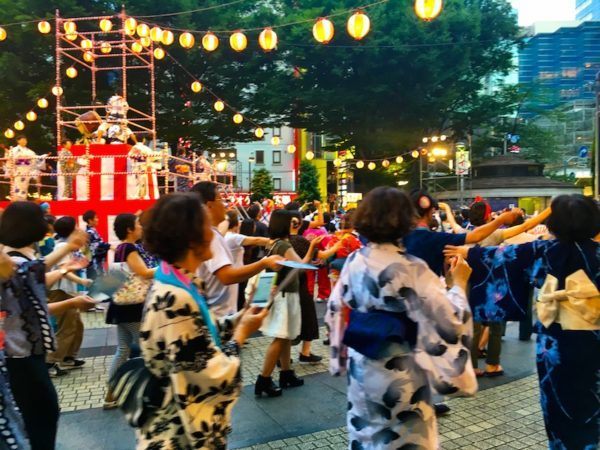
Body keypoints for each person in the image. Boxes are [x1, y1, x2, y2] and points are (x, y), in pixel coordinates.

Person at [444, 194, 600, 449]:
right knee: (590, 401)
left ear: (554, 223)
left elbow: (496, 256)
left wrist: (462, 253)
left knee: (558, 405)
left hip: (555, 345)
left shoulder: (542, 250)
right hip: (594, 339)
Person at [327, 187, 477, 449]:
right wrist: (459, 285)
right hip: (401, 368)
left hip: (362, 365)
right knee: (405, 437)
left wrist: (338, 358)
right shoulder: (411, 267)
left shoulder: (354, 260)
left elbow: (335, 310)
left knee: (366, 433)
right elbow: (448, 320)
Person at [138, 193, 268, 449]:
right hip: (178, 435)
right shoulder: (174, 295)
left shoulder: (178, 278)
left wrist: (239, 318)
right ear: (190, 238)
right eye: (205, 225)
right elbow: (211, 374)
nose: (212, 233)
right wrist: (241, 334)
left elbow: (196, 336)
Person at [0, 202, 94, 450]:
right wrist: (67, 252)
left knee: (40, 413)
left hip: (27, 352)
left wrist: (65, 276)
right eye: (42, 218)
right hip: (18, 354)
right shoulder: (11, 260)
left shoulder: (19, 258)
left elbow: (34, 291)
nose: (47, 223)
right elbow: (29, 273)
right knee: (42, 413)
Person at [466, 200, 552, 377]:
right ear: (488, 215)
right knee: (495, 325)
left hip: (470, 283)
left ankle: (472, 366)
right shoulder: (495, 234)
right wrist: (550, 209)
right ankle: (492, 365)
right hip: (493, 285)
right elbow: (526, 225)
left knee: (472, 328)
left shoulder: (462, 234)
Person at [255, 209, 325, 397]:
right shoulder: (284, 245)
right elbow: (301, 266)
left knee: (284, 337)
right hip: (286, 295)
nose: (295, 224)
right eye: (292, 221)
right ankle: (264, 379)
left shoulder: (273, 243)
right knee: (280, 338)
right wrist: (312, 248)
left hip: (281, 293)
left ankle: (286, 373)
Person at [190, 182, 283, 318]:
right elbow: (227, 276)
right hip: (217, 317)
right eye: (221, 199)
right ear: (209, 205)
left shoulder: (210, 234)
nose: (225, 204)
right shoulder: (211, 237)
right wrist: (264, 263)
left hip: (216, 315)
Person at [104, 213, 156, 409]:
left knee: (123, 349)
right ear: (129, 229)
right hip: (133, 307)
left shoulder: (120, 248)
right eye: (138, 224)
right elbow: (143, 272)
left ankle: (111, 394)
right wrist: (170, 268)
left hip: (121, 306)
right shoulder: (129, 248)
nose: (141, 227)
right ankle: (150, 393)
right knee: (149, 348)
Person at [403, 190, 521, 277]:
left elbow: (458, 226)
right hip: (427, 300)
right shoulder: (436, 239)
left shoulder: (399, 237)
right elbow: (476, 236)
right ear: (430, 211)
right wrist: (501, 219)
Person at [46, 216, 93, 376]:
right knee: (67, 328)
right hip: (61, 291)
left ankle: (68, 357)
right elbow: (63, 270)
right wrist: (82, 280)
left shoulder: (65, 245)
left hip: (66, 291)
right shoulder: (63, 246)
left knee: (76, 325)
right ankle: (50, 362)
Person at [222, 210, 271, 310]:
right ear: (235, 223)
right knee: (239, 303)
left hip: (233, 274)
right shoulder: (233, 237)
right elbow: (256, 240)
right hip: (237, 275)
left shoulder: (223, 236)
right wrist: (274, 241)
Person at [7, 136, 37, 201]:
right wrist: (10, 170)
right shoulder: (14, 150)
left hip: (26, 170)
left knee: (25, 186)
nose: (24, 141)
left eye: (25, 140)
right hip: (18, 169)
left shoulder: (30, 151)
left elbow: (34, 160)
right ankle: (16, 199)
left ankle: (23, 199)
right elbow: (10, 161)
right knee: (17, 185)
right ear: (18, 141)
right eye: (22, 140)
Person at [83, 210, 111, 280]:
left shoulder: (92, 231)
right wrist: (109, 246)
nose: (97, 220)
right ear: (90, 220)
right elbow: (97, 245)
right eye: (96, 218)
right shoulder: (89, 232)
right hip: (94, 262)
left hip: (97, 261)